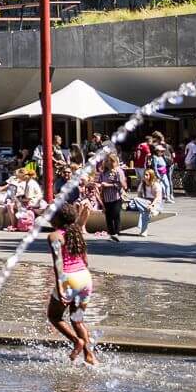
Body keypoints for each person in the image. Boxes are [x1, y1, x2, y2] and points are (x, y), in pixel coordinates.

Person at [45, 204, 97, 365]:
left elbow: (58, 263)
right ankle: (90, 356)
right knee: (77, 320)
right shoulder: (77, 233)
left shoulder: (54, 236)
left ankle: (77, 342)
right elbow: (86, 261)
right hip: (85, 278)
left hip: (69, 279)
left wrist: (61, 286)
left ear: (57, 219)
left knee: (54, 316)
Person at [97, 154, 127, 242]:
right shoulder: (104, 173)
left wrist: (109, 184)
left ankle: (116, 233)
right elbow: (99, 182)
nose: (108, 163)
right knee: (108, 216)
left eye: (110, 161)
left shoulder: (118, 171)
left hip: (116, 197)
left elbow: (123, 185)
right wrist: (98, 185)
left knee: (115, 215)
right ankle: (111, 233)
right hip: (106, 197)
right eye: (107, 161)